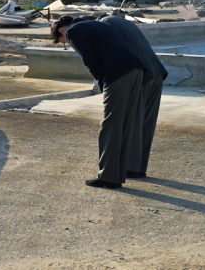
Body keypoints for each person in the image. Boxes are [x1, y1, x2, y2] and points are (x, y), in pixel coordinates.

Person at [51, 16, 144, 189]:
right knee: (124, 123)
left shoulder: (73, 31)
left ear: (62, 31)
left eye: (63, 42)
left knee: (111, 125)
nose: (67, 44)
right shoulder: (93, 24)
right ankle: (119, 172)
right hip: (136, 70)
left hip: (118, 73)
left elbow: (90, 60)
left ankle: (109, 177)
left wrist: (102, 83)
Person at [101, 14, 168, 178]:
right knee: (147, 124)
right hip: (157, 73)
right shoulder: (125, 24)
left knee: (134, 123)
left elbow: (112, 55)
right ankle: (138, 168)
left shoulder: (105, 25)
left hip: (141, 75)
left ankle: (131, 168)